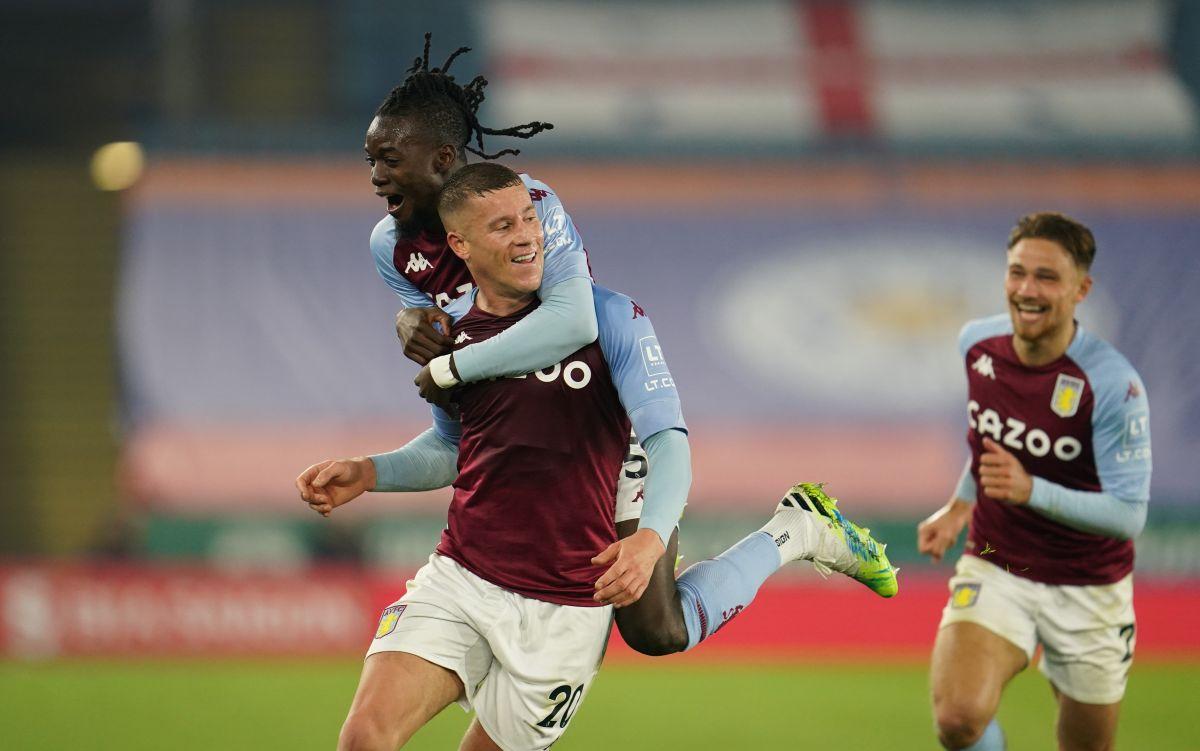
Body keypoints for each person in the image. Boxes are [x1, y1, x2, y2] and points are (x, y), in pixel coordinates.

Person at [299, 164, 897, 750]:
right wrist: (371, 471)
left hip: (566, 605)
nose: (528, 235)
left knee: (660, 630)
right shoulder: (449, 335)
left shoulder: (611, 317)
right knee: (364, 740)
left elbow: (670, 443)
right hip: (461, 578)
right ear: (459, 243)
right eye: (503, 226)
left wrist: (651, 537)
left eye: (530, 219)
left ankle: (794, 532)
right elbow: (452, 450)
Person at [361, 35, 897, 660]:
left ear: (443, 158)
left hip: (597, 420)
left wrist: (452, 364)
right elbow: (445, 377)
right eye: (371, 158)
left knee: (655, 629)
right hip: (523, 427)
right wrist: (412, 325)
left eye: (390, 159)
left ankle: (797, 530)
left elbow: (571, 323)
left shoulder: (527, 202)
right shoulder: (388, 247)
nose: (375, 175)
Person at [917, 212, 1152, 751]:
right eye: (1017, 272)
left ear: (1080, 289)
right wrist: (959, 506)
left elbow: (1128, 514)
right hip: (1000, 561)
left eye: (1046, 277)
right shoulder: (977, 345)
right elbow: (989, 443)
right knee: (957, 718)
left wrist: (1032, 491)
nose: (1027, 289)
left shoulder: (1113, 384)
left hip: (1090, 586)